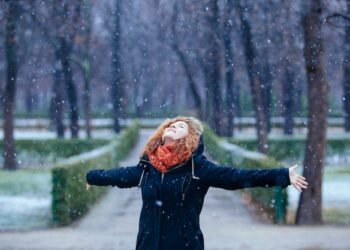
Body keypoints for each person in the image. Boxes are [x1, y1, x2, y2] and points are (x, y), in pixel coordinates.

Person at [86, 116, 308, 250]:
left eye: (180, 127)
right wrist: (93, 176)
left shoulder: (197, 168)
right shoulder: (148, 166)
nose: (172, 127)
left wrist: (282, 175)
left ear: (189, 138)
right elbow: (119, 176)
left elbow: (236, 177)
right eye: (170, 125)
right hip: (148, 244)